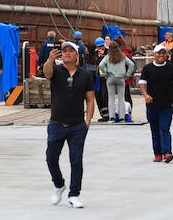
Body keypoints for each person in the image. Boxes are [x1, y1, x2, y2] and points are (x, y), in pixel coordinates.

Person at [43, 41, 95, 208]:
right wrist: (49, 60)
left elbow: (90, 99)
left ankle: (74, 194)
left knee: (76, 160)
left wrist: (88, 121)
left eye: (70, 51)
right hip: (56, 124)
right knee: (51, 158)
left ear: (76, 55)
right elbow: (47, 73)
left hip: (77, 126)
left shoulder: (85, 75)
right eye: (64, 51)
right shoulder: (57, 71)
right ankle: (59, 184)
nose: (66, 53)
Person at [138, 44, 173, 162]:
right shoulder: (148, 69)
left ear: (166, 55)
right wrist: (145, 95)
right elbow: (142, 83)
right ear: (154, 55)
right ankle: (157, 153)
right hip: (152, 105)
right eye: (158, 53)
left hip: (166, 105)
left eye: (163, 53)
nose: (161, 55)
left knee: (164, 128)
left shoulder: (171, 69)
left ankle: (167, 152)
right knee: (155, 130)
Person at [98, 42, 137, 123]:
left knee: (111, 98)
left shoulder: (107, 57)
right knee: (121, 98)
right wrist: (128, 74)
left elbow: (101, 65)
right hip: (121, 78)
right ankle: (122, 117)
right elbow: (132, 64)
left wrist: (104, 74)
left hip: (110, 78)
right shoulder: (122, 56)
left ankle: (111, 117)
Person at [92, 38, 111, 121]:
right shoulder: (95, 54)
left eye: (102, 46)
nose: (101, 48)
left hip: (106, 77)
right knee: (98, 95)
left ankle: (109, 114)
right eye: (99, 47)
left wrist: (103, 57)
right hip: (97, 77)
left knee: (105, 95)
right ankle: (103, 114)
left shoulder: (108, 52)